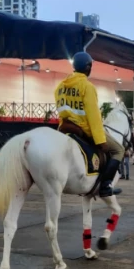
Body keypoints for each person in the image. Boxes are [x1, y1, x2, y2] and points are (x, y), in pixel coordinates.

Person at [55, 52, 124, 197]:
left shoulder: (60, 87)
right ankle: (105, 186)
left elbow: (61, 111)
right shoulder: (87, 86)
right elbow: (94, 117)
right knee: (119, 150)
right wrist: (100, 141)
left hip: (64, 127)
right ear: (88, 67)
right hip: (84, 129)